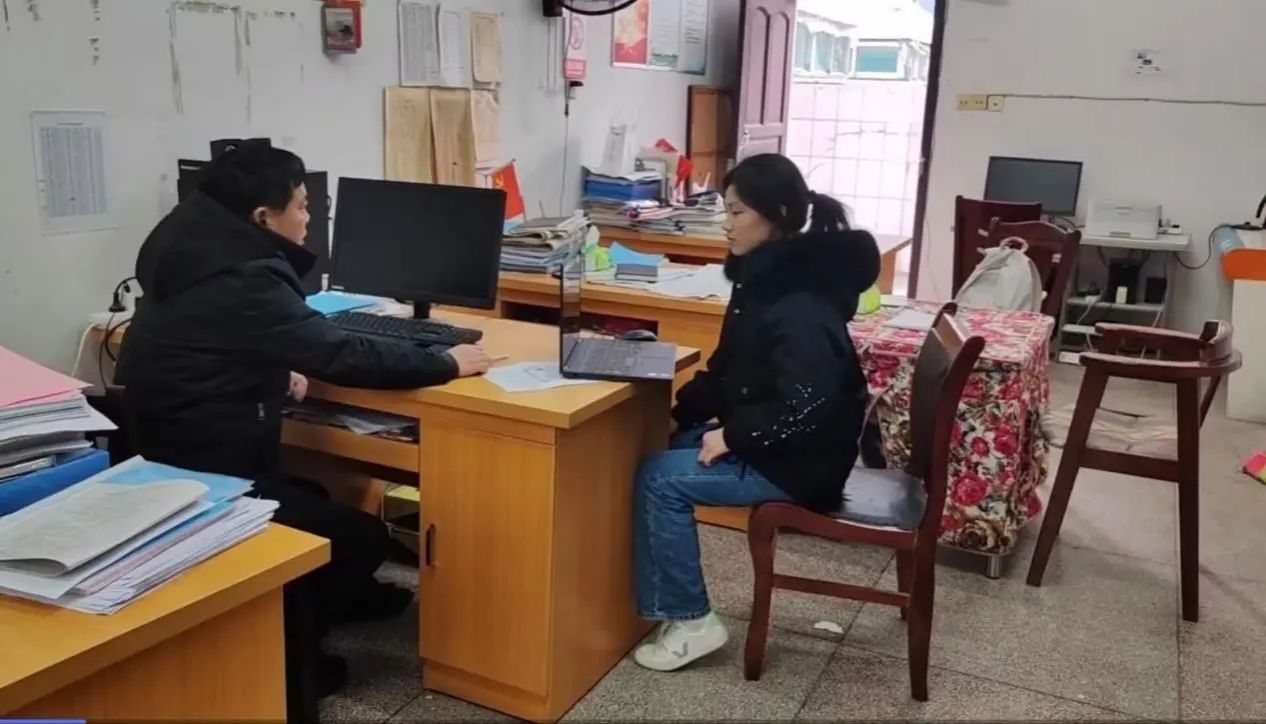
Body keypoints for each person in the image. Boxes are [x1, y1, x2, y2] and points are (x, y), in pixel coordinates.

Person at [115, 143, 492, 695]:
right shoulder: (244, 276)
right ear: (263, 217)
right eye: (302, 205)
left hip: (174, 456)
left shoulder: (192, 249)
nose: (310, 218)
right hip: (214, 480)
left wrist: (274, 361)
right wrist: (445, 363)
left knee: (316, 490)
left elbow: (222, 336)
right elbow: (342, 355)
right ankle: (297, 656)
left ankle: (331, 603)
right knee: (362, 539)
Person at [631, 153, 880, 672]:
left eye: (737, 212)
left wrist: (734, 436)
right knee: (654, 447)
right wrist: (682, 414)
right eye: (725, 211)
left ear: (777, 215)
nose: (726, 225)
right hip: (780, 440)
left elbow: (809, 403)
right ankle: (649, 595)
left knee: (658, 479)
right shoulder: (762, 281)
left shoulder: (799, 301)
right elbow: (727, 368)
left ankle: (692, 621)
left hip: (804, 462)